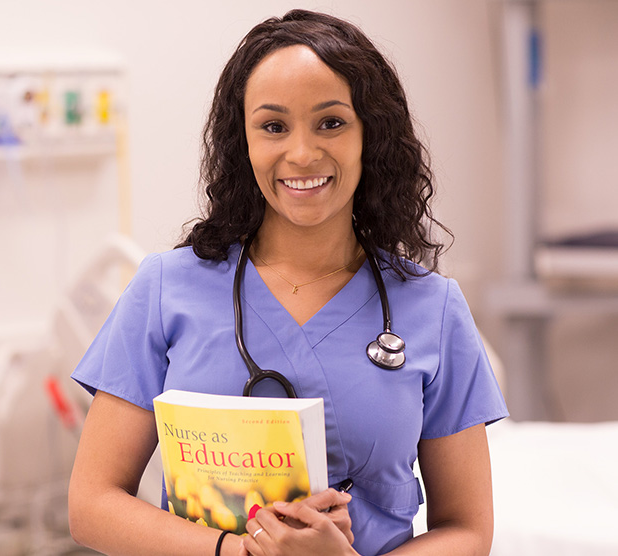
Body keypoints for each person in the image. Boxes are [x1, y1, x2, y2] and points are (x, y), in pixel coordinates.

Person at [68, 9, 508, 556]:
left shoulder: (432, 309)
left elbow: (468, 529)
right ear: (243, 141)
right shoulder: (165, 289)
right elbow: (92, 505)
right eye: (273, 126)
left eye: (331, 122)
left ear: (371, 134)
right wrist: (241, 552)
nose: (301, 153)